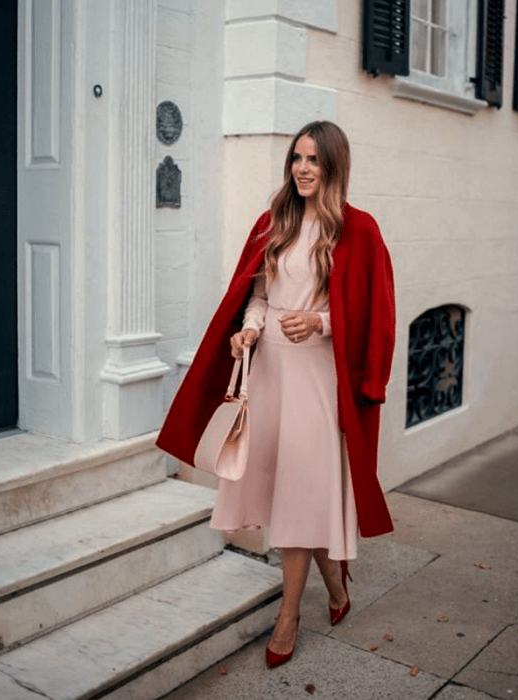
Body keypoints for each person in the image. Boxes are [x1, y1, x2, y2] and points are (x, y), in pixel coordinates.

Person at [156, 120, 396, 668]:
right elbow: (259, 297)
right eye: (297, 158)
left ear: (334, 166)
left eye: (314, 160)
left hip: (318, 377)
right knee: (293, 490)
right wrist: (248, 329)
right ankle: (335, 583)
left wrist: (321, 323)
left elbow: (375, 315)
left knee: (301, 487)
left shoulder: (360, 230)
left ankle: (287, 616)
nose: (303, 168)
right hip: (270, 373)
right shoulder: (275, 221)